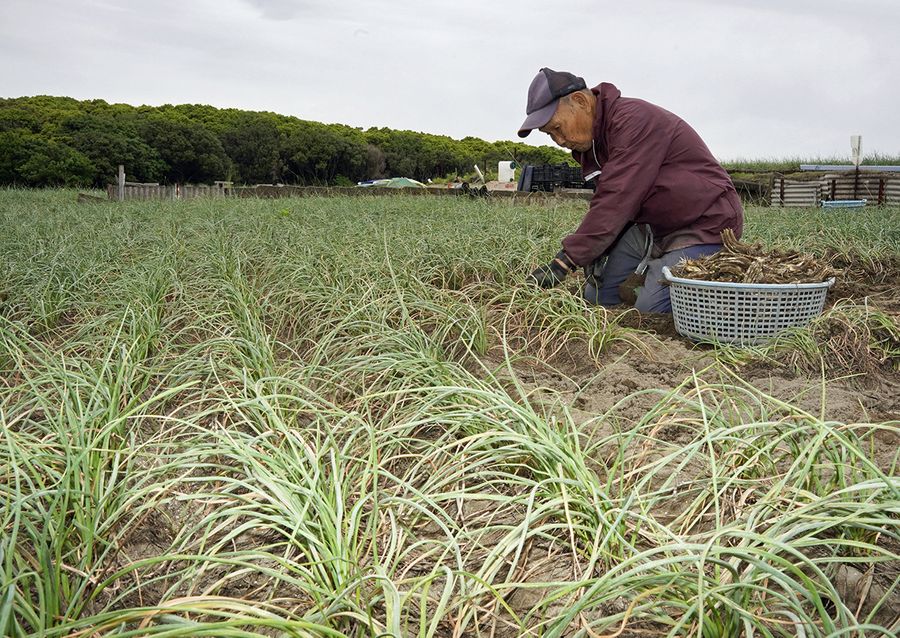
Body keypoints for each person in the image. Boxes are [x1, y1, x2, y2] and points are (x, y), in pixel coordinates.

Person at [520, 68, 743, 313]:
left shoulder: (634, 121)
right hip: (653, 227)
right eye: (550, 135)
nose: (559, 140)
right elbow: (611, 204)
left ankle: (721, 288)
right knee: (597, 295)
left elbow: (617, 197)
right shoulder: (591, 145)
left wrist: (565, 261)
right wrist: (598, 247)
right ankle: (657, 271)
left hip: (703, 223)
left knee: (649, 308)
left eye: (558, 128)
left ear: (581, 101)